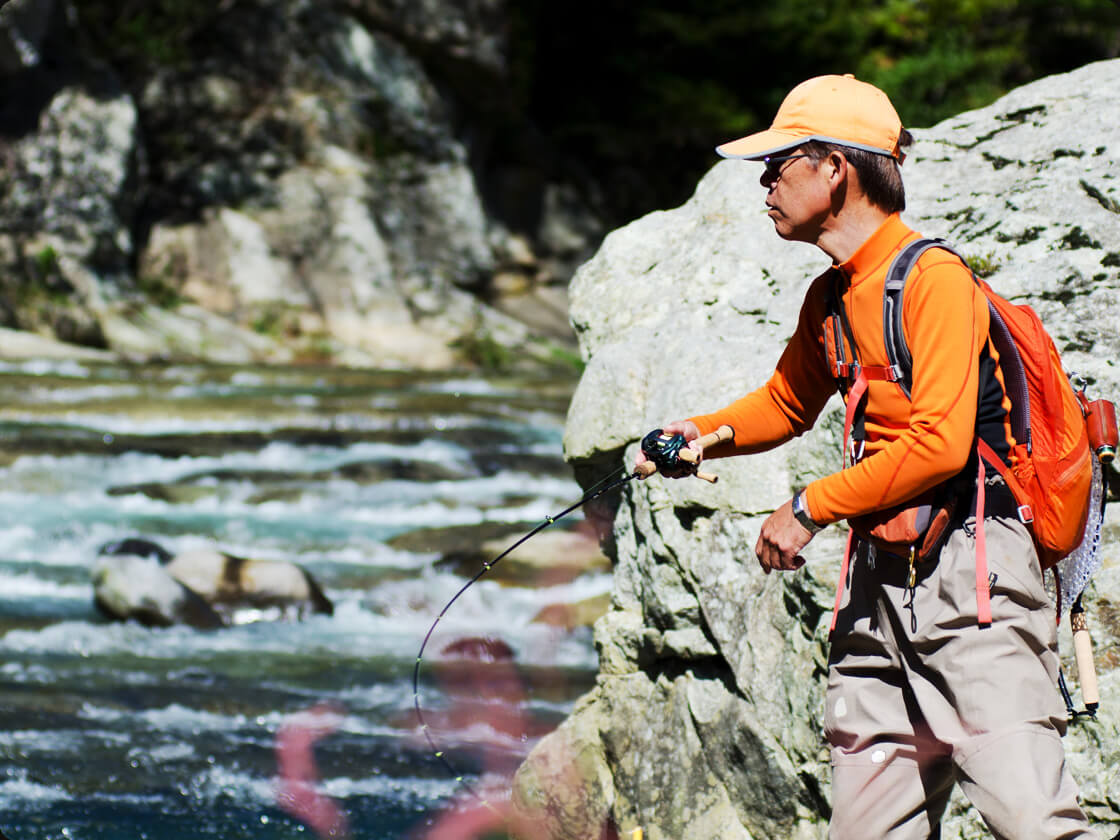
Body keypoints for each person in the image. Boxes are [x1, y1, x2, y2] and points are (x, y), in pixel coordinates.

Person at [637, 75, 1099, 839]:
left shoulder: (935, 282)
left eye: (778, 165)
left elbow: (940, 443)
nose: (764, 183)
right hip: (875, 593)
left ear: (834, 169)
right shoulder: (830, 299)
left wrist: (809, 507)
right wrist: (698, 431)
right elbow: (785, 404)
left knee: (1032, 821)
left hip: (972, 580)